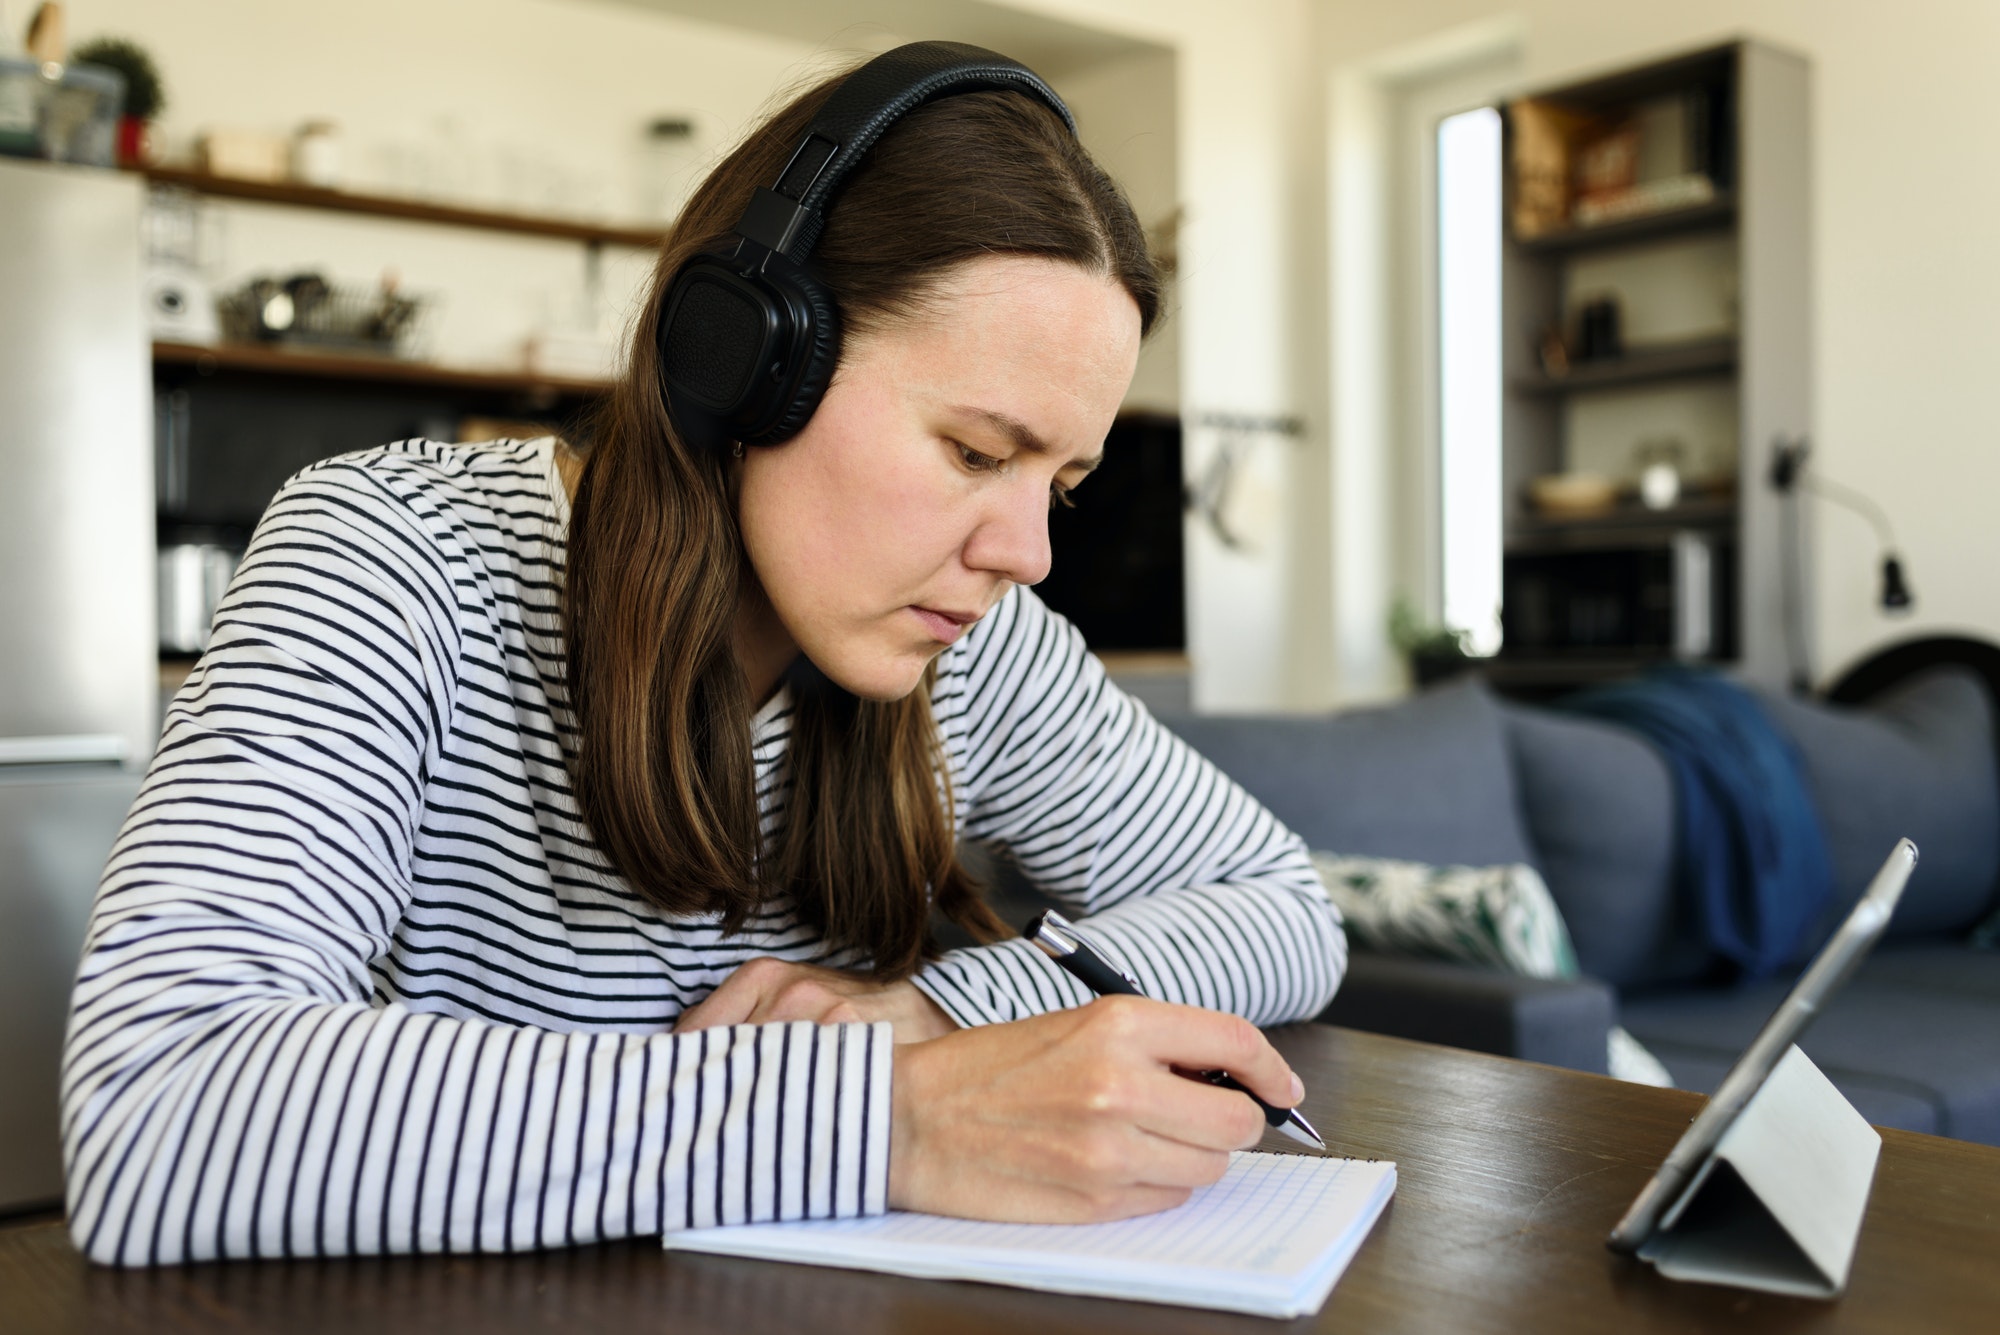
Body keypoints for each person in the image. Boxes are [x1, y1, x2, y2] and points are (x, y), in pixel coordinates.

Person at [61, 45, 1345, 1266]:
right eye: (971, 452)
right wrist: (893, 1117)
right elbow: (156, 1104)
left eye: (1057, 483)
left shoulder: (978, 646)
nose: (1025, 553)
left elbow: (1283, 909)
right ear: (743, 359)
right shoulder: (391, 555)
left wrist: (946, 1014)